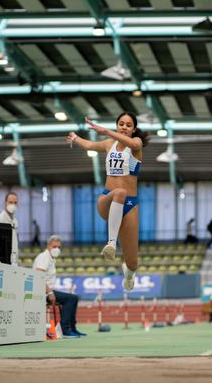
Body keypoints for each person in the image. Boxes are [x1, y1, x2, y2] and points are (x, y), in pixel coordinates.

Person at [66, 113, 149, 292]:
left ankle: (128, 275)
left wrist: (104, 130)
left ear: (134, 129)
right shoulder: (109, 144)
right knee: (119, 192)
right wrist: (76, 138)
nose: (124, 127)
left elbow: (134, 143)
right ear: (117, 125)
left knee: (133, 263)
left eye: (128, 125)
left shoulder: (136, 145)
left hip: (130, 206)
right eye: (121, 124)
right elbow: (89, 144)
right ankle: (111, 244)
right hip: (107, 199)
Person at [33, 235, 85, 338]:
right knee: (71, 299)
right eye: (54, 246)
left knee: (73, 298)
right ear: (48, 246)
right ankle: (65, 330)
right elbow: (38, 276)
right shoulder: (44, 257)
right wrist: (50, 292)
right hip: (41, 292)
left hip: (47, 291)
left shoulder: (51, 259)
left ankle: (72, 329)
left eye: (59, 247)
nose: (57, 249)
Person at [0, 192, 19, 265]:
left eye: (15, 203)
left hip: (13, 260)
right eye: (10, 202)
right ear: (5, 203)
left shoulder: (15, 221)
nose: (13, 205)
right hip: (3, 261)